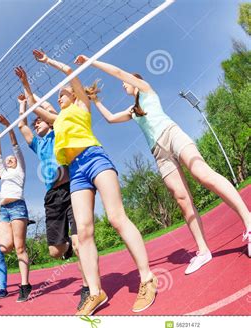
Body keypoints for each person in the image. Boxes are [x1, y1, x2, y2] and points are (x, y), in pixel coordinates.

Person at [74, 55, 251, 264]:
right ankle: (203, 251)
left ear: (134, 81)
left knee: (201, 173)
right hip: (159, 153)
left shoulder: (146, 89)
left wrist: (90, 62)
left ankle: (249, 223)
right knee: (181, 199)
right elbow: (111, 119)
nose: (123, 85)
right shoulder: (133, 110)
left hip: (171, 134)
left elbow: (120, 73)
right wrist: (95, 101)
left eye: (125, 83)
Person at [31, 49, 158, 315]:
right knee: (84, 232)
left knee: (116, 217)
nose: (58, 97)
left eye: (62, 94)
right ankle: (95, 291)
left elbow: (70, 73)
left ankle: (147, 278)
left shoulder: (81, 106)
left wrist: (48, 61)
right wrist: (26, 88)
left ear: (73, 95)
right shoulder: (57, 119)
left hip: (94, 157)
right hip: (75, 170)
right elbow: (37, 108)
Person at [14, 66, 91, 309]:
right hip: (52, 196)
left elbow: (45, 109)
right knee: (56, 252)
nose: (37, 124)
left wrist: (28, 88)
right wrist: (22, 107)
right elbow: (22, 127)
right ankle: (67, 247)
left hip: (72, 187)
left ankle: (88, 287)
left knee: (81, 243)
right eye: (36, 123)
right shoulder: (38, 144)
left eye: (40, 121)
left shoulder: (59, 129)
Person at [0, 114, 32, 302]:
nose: (9, 161)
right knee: (4, 247)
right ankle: (22, 231)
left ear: (17, 162)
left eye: (12, 159)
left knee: (19, 247)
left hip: (17, 207)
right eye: (7, 160)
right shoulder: (4, 172)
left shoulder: (20, 169)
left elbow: (16, 147)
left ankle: (25, 285)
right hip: (4, 211)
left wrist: (8, 127)